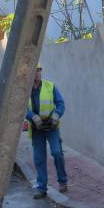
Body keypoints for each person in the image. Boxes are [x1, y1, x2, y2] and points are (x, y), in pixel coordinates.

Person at [26, 65, 68, 199]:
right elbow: (21, 107)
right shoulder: (24, 89)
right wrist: (32, 116)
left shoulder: (50, 86)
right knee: (39, 158)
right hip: (37, 128)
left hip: (51, 126)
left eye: (39, 70)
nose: (37, 73)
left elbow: (60, 103)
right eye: (35, 71)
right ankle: (42, 188)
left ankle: (62, 181)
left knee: (57, 153)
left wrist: (56, 115)